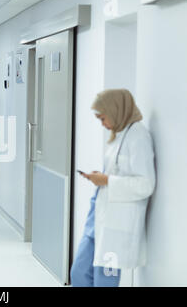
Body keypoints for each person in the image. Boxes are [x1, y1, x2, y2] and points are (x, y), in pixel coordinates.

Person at [70, 89, 156, 287]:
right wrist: (100, 178)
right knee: (79, 273)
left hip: (116, 226)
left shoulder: (138, 137)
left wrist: (107, 180)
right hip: (98, 216)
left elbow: (146, 184)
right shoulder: (119, 134)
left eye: (103, 118)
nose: (102, 124)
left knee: (104, 282)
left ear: (116, 110)